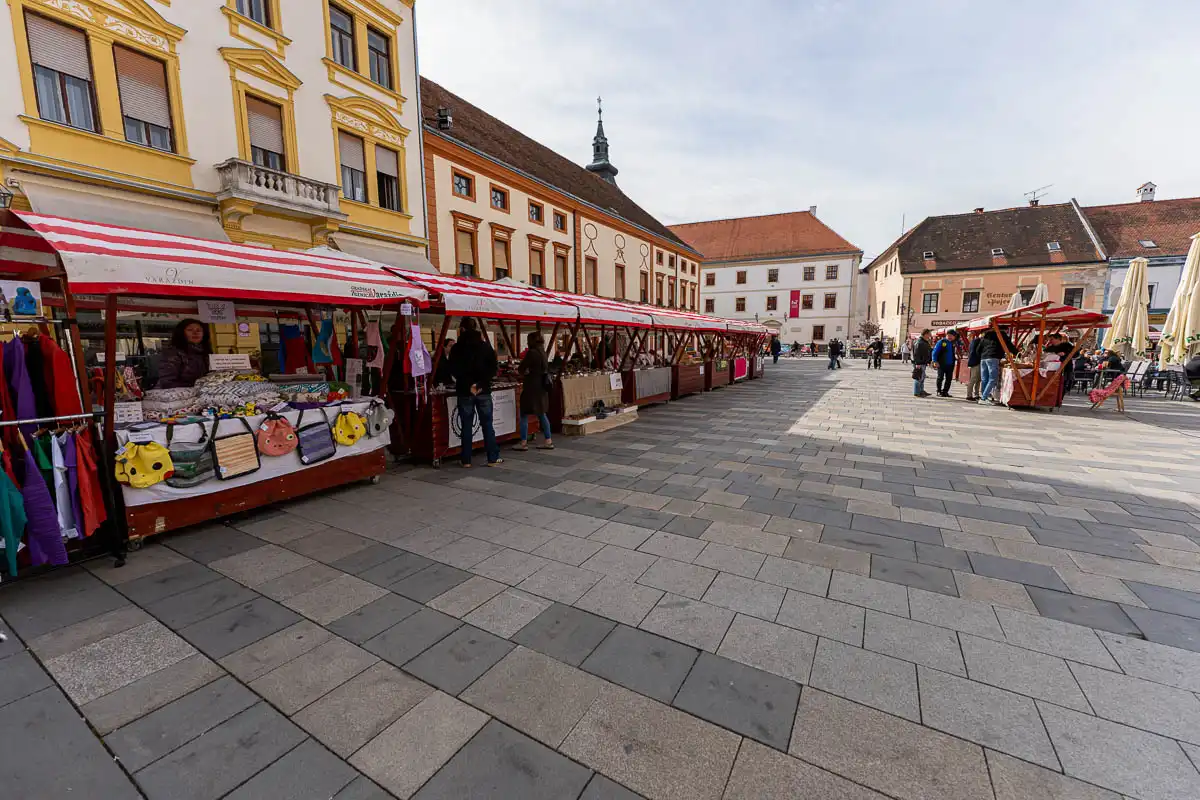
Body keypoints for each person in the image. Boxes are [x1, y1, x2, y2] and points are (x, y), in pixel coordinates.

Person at [449, 318, 501, 468]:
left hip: (464, 390)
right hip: (483, 389)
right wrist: (479, 384)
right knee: (487, 424)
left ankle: (466, 460)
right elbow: (493, 368)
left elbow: (453, 369)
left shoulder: (457, 348)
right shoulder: (485, 347)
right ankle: (492, 457)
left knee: (466, 425)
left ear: (462, 329)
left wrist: (468, 384)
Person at [513, 332, 553, 452]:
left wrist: (522, 372)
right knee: (542, 414)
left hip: (531, 387)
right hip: (542, 387)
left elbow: (521, 368)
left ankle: (524, 442)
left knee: (524, 413)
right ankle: (548, 440)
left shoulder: (532, 353)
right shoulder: (543, 352)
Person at [157, 319, 211, 389]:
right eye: (190, 330)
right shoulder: (172, 353)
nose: (195, 333)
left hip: (204, 394)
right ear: (181, 333)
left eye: (199, 330)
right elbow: (167, 382)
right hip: (178, 395)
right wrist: (197, 386)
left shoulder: (206, 352)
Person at [978, 327, 1014, 405]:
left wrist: (983, 355)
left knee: (985, 379)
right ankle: (984, 398)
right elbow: (1009, 345)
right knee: (992, 379)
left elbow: (978, 349)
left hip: (983, 359)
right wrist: (1019, 354)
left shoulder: (986, 335)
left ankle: (983, 397)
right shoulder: (1002, 334)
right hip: (993, 357)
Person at [931, 330, 959, 397]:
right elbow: (935, 352)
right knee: (940, 377)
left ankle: (945, 392)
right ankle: (939, 391)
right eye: (948, 335)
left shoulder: (954, 343)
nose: (950, 337)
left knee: (949, 379)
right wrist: (935, 361)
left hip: (950, 364)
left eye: (952, 336)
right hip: (941, 363)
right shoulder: (942, 342)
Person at [912, 329, 933, 397]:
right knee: (918, 377)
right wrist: (917, 363)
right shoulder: (920, 342)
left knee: (922, 377)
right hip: (920, 363)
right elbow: (916, 354)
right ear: (925, 334)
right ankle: (917, 392)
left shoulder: (924, 342)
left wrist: (929, 361)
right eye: (929, 334)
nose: (930, 335)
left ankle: (921, 391)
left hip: (923, 362)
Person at [965, 333, 983, 401]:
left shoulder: (974, 341)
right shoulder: (975, 341)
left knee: (978, 380)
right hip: (976, 363)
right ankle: (969, 395)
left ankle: (976, 394)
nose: (967, 337)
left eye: (968, 336)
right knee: (974, 379)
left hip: (976, 362)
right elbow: (973, 353)